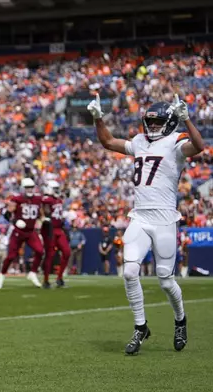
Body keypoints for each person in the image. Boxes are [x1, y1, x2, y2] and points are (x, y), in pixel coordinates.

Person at [88, 93, 205, 354]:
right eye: (150, 122)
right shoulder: (140, 141)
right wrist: (97, 117)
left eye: (157, 122)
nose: (152, 127)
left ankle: (180, 320)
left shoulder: (176, 141)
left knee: (165, 281)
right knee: (130, 272)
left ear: (170, 122)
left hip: (164, 217)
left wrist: (188, 120)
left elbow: (199, 147)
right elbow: (107, 141)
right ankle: (141, 327)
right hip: (140, 215)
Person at [0, 178, 44, 289]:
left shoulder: (37, 199)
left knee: (40, 251)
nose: (29, 190)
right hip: (18, 231)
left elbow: (40, 214)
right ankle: (1, 275)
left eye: (31, 187)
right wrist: (15, 221)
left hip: (31, 231)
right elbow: (6, 214)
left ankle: (33, 273)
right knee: (11, 256)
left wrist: (43, 220)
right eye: (27, 188)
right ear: (22, 188)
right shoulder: (17, 199)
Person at [41, 180, 71, 288]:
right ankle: (46, 280)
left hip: (59, 229)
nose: (57, 191)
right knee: (50, 254)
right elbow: (42, 203)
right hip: (50, 229)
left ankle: (59, 278)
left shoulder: (58, 199)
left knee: (67, 252)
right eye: (55, 189)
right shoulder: (47, 199)